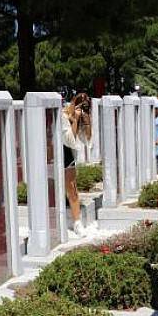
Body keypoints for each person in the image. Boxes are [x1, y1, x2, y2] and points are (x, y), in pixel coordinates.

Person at [62, 93, 92, 237]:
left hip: (69, 155)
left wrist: (86, 121)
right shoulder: (63, 115)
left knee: (73, 189)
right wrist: (74, 120)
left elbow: (87, 139)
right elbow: (68, 139)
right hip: (59, 152)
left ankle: (77, 222)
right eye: (80, 105)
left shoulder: (80, 117)